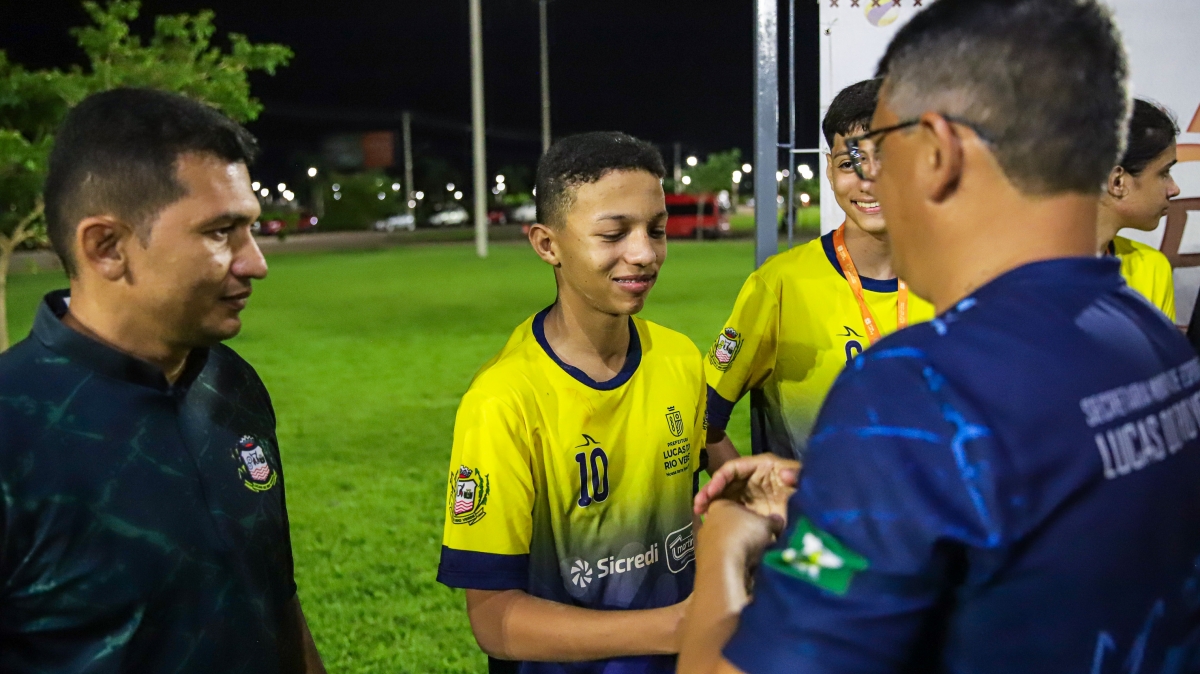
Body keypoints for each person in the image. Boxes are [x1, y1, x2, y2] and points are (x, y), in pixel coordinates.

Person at [679, 1, 1200, 672]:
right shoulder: (1145, 330)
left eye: (884, 152)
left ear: (939, 152)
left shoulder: (915, 391)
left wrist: (725, 540)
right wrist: (846, 495)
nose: (873, 182)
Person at [0, 88, 324, 672]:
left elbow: (274, 595)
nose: (256, 262)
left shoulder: (232, 383)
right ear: (107, 247)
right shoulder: (12, 426)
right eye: (221, 232)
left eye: (250, 228)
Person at [436, 132, 706, 673]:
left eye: (656, 230)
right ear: (547, 244)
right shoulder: (502, 399)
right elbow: (494, 621)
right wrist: (675, 627)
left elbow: (688, 516)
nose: (644, 254)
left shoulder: (679, 358)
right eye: (613, 234)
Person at [704, 78, 934, 466]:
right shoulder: (781, 285)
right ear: (829, 170)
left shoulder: (965, 284)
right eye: (850, 163)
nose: (869, 181)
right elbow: (701, 421)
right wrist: (755, 496)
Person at [1097, 98, 1181, 321]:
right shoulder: (1015, 271)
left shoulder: (1152, 268)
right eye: (1164, 173)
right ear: (1117, 182)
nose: (1174, 189)